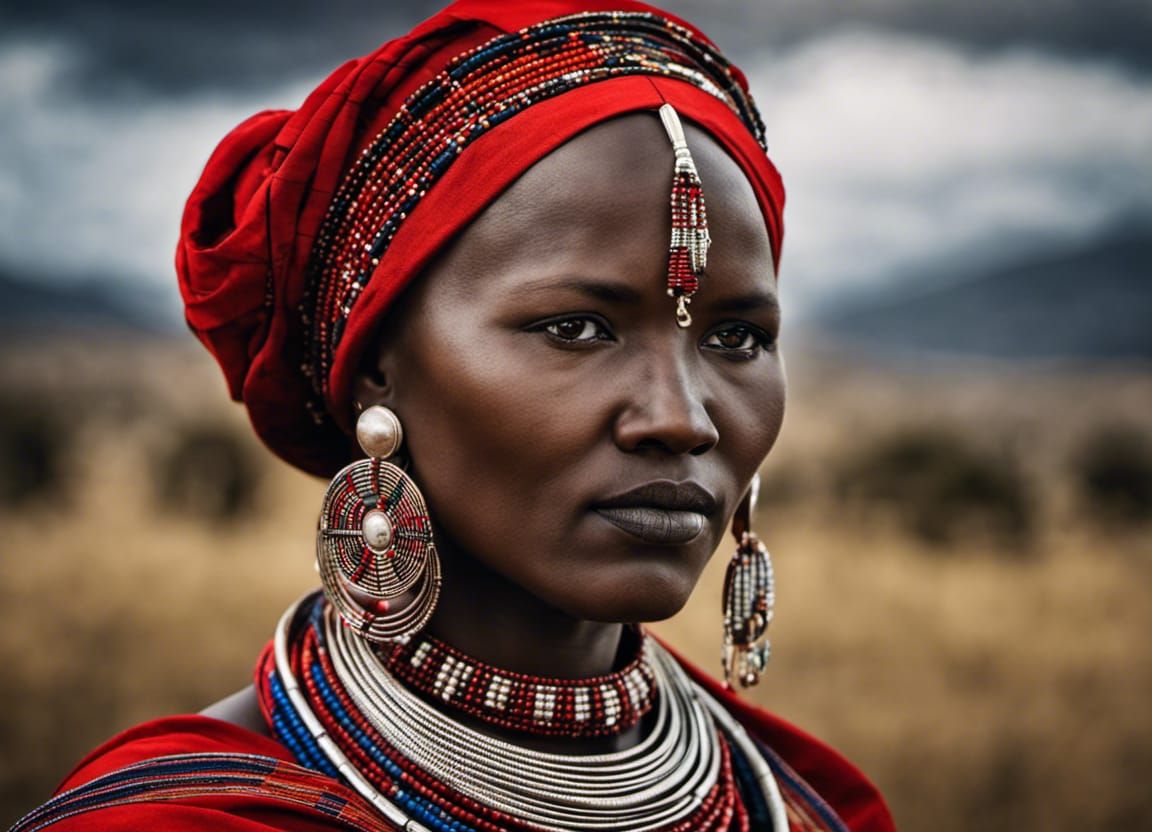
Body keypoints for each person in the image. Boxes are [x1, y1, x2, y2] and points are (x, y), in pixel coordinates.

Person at [14, 1, 896, 829]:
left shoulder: (805, 808)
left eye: (737, 337)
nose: (682, 418)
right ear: (375, 368)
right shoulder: (184, 818)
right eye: (576, 328)